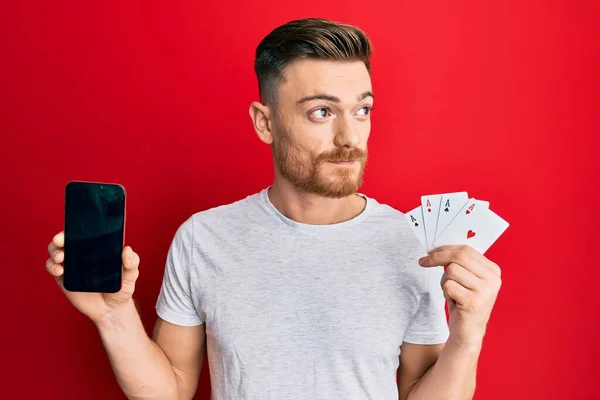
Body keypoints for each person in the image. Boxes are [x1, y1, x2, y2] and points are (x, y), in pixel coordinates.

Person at [45, 17, 502, 400]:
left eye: (362, 110)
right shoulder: (204, 237)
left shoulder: (413, 245)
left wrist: (468, 335)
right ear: (265, 122)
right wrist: (113, 316)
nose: (349, 137)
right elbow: (173, 389)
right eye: (322, 112)